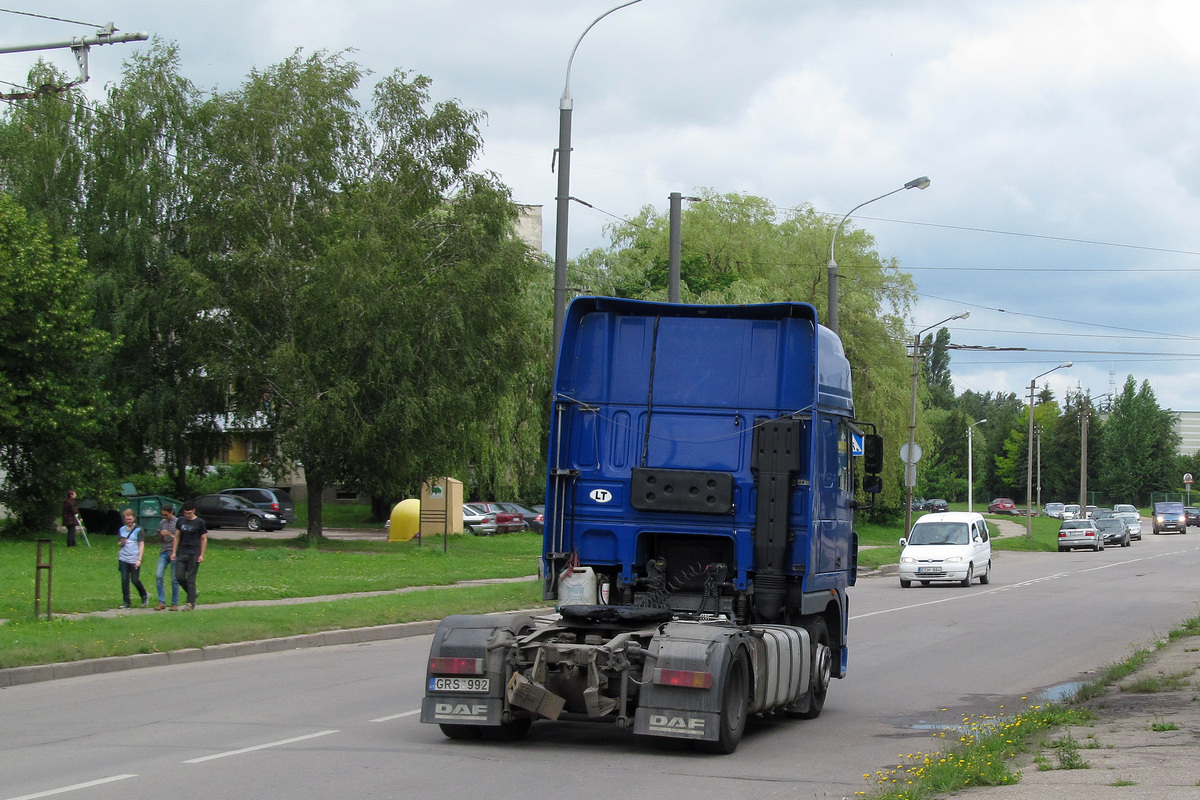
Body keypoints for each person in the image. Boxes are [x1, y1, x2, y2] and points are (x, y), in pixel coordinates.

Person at [171, 500, 208, 611]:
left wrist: (202, 554)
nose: (187, 515)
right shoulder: (181, 521)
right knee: (179, 576)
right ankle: (192, 593)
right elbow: (177, 536)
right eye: (185, 513)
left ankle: (190, 603)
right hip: (182, 552)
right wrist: (173, 552)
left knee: (191, 578)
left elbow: (204, 538)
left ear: (193, 511)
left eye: (189, 513)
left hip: (194, 553)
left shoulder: (199, 522)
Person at [117, 509, 149, 609]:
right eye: (127, 519)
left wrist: (139, 559)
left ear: (134, 518)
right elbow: (119, 544)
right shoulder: (122, 529)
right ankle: (127, 602)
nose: (128, 521)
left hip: (134, 558)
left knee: (135, 580)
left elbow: (141, 544)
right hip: (123, 558)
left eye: (130, 519)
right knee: (124, 580)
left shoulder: (139, 530)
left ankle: (144, 595)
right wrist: (122, 542)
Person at [154, 505, 181, 611]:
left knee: (174, 579)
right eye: (163, 515)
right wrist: (160, 535)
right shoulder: (162, 523)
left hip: (174, 552)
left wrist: (170, 534)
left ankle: (174, 603)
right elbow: (160, 540)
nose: (164, 516)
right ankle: (161, 602)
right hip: (164, 551)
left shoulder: (178, 522)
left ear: (171, 512)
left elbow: (180, 538)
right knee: (159, 576)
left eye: (166, 514)